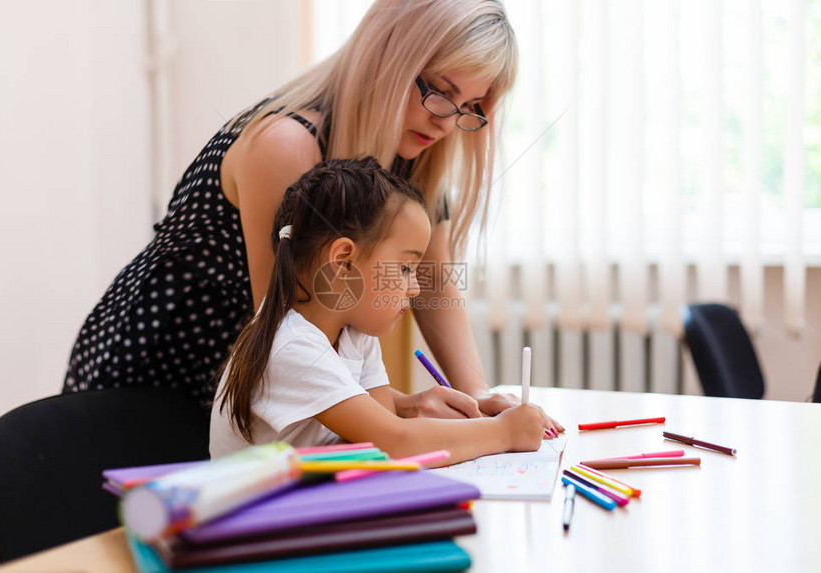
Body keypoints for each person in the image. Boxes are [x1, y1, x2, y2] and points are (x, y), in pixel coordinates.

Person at [64, 0, 536, 419]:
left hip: (260, 399)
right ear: (388, 57)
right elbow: (288, 330)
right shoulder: (288, 144)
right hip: (155, 380)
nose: (448, 121)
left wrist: (478, 395)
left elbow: (434, 283)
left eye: (470, 106)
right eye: (438, 89)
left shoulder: (415, 155)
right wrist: (401, 407)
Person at [210, 157, 562, 461]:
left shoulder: (353, 332)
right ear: (344, 261)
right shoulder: (292, 346)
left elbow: (382, 430)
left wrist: (474, 419)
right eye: (406, 268)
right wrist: (503, 433)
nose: (415, 286)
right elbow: (396, 442)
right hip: (261, 523)